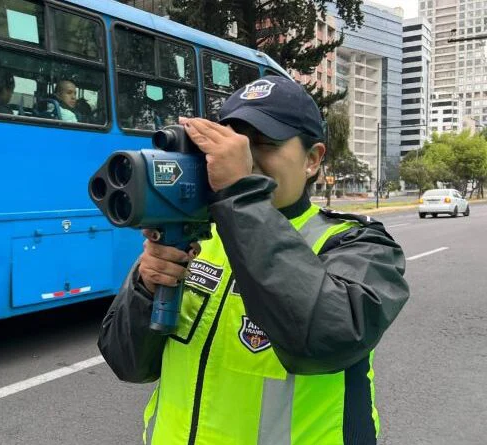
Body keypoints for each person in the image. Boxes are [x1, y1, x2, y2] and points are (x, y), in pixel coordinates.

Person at [98, 76, 409, 445]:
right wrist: (145, 287)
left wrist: (239, 193)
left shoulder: (357, 245)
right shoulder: (198, 236)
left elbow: (326, 339)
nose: (243, 158)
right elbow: (126, 363)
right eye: (232, 143)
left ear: (312, 159)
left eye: (264, 144)